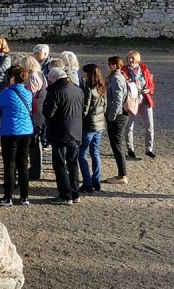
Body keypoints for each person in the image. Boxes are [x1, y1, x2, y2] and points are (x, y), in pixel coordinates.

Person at [0, 64, 35, 206]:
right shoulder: (29, 93)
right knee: (23, 164)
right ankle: (24, 197)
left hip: (10, 131)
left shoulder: (6, 94)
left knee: (9, 165)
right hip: (26, 131)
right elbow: (32, 109)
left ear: (12, 78)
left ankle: (8, 197)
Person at [43, 63, 85, 204]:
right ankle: (75, 193)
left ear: (54, 79)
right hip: (76, 130)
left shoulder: (56, 91)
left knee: (60, 164)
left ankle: (65, 195)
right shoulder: (78, 90)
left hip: (60, 132)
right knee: (73, 164)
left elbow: (49, 112)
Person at [18, 55, 48, 179]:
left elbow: (29, 95)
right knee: (36, 143)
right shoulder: (41, 75)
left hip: (34, 113)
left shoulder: (32, 77)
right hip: (40, 112)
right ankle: (37, 168)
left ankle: (36, 170)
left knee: (34, 144)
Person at [104, 55, 132, 184]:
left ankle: (122, 175)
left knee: (117, 146)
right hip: (120, 115)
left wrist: (111, 116)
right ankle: (122, 174)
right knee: (117, 145)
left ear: (113, 65)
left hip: (118, 116)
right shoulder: (120, 76)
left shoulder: (116, 79)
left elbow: (117, 99)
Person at [124, 50, 157, 159]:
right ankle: (130, 149)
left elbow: (150, 84)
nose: (130, 60)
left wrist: (149, 90)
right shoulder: (124, 70)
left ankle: (149, 149)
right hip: (131, 101)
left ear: (137, 59)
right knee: (129, 126)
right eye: (129, 58)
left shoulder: (144, 69)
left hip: (144, 100)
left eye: (132, 58)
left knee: (149, 125)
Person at [79, 63, 107, 193]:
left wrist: (80, 119)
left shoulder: (88, 88)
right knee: (95, 152)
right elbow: (105, 107)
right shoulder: (102, 87)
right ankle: (96, 180)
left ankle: (87, 182)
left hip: (89, 124)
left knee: (82, 154)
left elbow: (85, 108)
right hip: (100, 124)